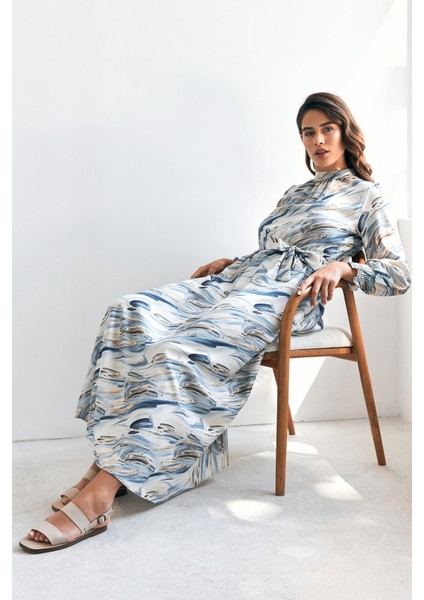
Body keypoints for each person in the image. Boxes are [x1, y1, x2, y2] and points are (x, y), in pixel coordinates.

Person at [19, 91, 411, 553]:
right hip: (241, 282)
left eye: (328, 129)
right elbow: (272, 251)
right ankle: (114, 456)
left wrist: (344, 267)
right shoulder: (295, 193)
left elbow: (398, 274)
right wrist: (235, 262)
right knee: (129, 311)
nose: (318, 140)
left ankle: (104, 488)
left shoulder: (367, 195)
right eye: (309, 132)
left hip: (288, 299)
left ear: (346, 132)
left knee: (178, 350)